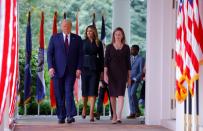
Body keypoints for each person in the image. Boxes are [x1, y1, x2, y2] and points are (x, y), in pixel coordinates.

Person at [47, 19, 83, 124]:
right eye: (63, 26)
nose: (65, 27)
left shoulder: (77, 38)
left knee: (68, 92)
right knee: (59, 94)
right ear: (61, 27)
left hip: (71, 71)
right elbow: (49, 54)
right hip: (57, 71)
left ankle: (70, 115)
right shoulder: (54, 38)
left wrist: (79, 68)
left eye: (67, 26)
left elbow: (80, 55)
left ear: (70, 27)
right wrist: (50, 67)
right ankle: (61, 116)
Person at [104, 27, 131, 124]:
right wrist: (105, 75)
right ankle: (114, 114)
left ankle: (119, 116)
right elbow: (106, 62)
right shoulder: (109, 47)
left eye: (119, 34)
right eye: (116, 34)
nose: (118, 36)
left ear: (122, 36)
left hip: (122, 73)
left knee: (121, 94)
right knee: (112, 95)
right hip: (111, 74)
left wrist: (129, 77)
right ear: (114, 36)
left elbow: (128, 63)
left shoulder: (127, 47)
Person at [81, 25, 104, 122]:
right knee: (85, 89)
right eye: (87, 31)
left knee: (93, 90)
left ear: (94, 32)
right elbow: (79, 56)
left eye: (91, 31)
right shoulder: (82, 42)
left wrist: (102, 72)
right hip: (84, 68)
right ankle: (84, 107)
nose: (89, 33)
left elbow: (102, 58)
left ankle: (91, 113)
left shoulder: (99, 43)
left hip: (95, 68)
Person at [127, 45, 144, 119]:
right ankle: (132, 113)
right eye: (131, 49)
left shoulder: (141, 59)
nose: (131, 51)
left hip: (136, 80)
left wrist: (134, 79)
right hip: (129, 80)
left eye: (133, 50)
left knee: (132, 93)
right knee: (129, 96)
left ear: (137, 51)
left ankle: (137, 111)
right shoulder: (128, 58)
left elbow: (141, 71)